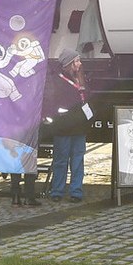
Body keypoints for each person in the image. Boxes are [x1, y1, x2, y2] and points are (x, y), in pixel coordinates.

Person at [43, 55, 90, 201]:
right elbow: (51, 100)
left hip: (78, 126)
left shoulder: (81, 78)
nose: (80, 63)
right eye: (77, 61)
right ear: (69, 63)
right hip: (63, 127)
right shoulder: (57, 80)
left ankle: (76, 191)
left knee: (77, 160)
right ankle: (58, 191)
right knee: (61, 161)